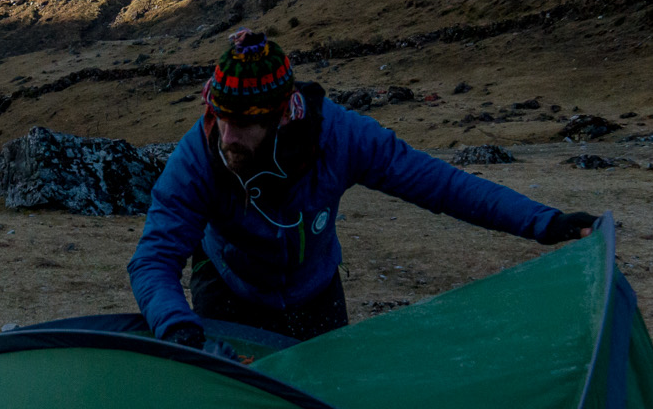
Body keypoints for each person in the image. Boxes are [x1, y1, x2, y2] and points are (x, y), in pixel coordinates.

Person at [128, 29, 599, 345]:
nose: (227, 137)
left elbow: (440, 185)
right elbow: (153, 258)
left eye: (244, 125)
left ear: (282, 117)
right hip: (229, 290)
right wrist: (177, 328)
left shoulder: (338, 138)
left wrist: (543, 222)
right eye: (220, 118)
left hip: (315, 293)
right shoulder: (199, 155)